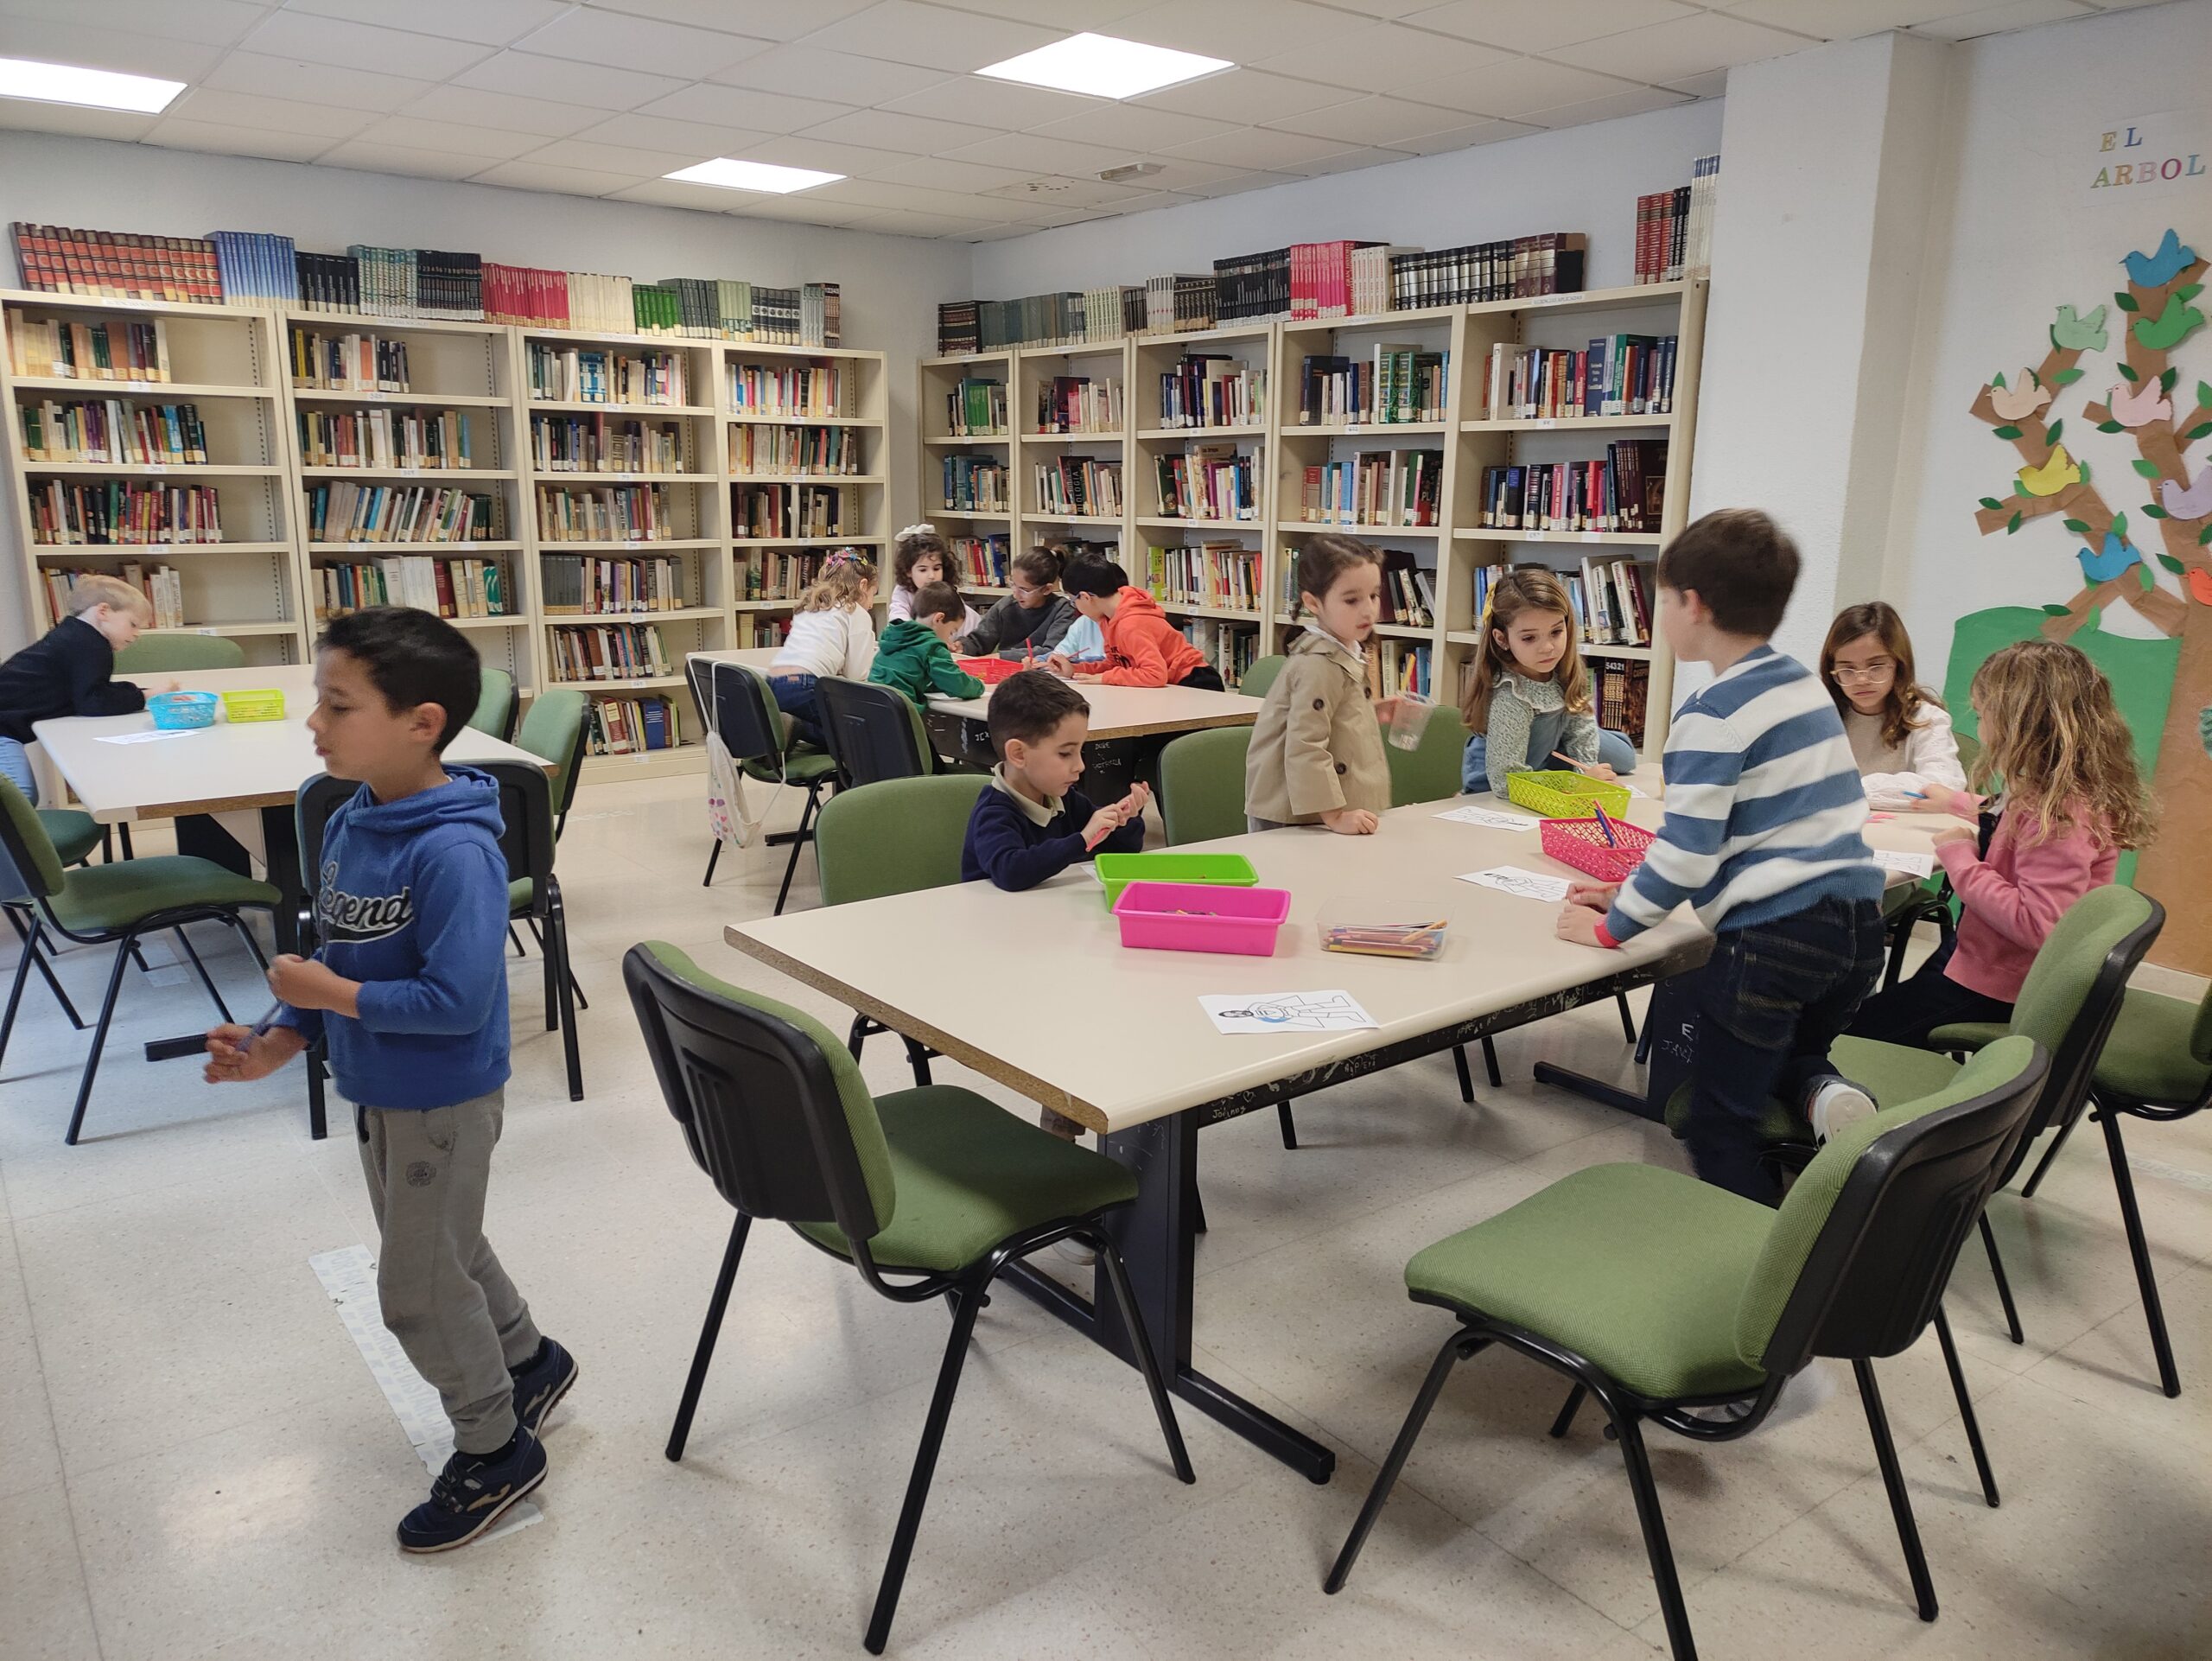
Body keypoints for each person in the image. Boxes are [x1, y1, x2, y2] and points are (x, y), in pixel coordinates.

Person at [202, 608, 574, 1553]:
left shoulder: (453, 849)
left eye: (337, 704)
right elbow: (339, 946)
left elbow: (454, 999)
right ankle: (528, 1359)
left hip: (438, 1091)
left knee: (412, 1289)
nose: (314, 724)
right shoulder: (353, 814)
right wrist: (285, 1031)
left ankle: (495, 1447)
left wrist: (332, 992)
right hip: (381, 1079)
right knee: (444, 1240)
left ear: (423, 721)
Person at [1555, 510, 1886, 1205]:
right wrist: (1628, 894)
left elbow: (1686, 855)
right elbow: (1770, 823)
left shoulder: (1712, 713)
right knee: (1788, 1058)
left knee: (1717, 1123)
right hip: (1858, 926)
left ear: (1693, 605)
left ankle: (1770, 1274)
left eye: (1664, 598)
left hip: (1776, 937)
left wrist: (1613, 929)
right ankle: (1829, 1098)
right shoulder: (1802, 686)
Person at [1848, 638, 2152, 1047]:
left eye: (1981, 712)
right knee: (1881, 1010)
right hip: (1985, 955)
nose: (1979, 725)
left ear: (2017, 721)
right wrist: (1958, 803)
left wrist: (1960, 858)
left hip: (2002, 984)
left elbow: (2037, 925)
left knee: (1853, 1034)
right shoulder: (2058, 792)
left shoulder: (2057, 814)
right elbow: (2012, 826)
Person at [1243, 534, 1395, 836]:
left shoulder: (1343, 648)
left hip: (1318, 811)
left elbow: (1331, 717)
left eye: (1374, 596)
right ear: (1313, 603)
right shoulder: (1317, 664)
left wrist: (1371, 711)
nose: (1368, 610)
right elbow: (1305, 745)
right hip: (1296, 816)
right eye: (1352, 600)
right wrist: (1335, 816)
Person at [961, 668, 1147, 891]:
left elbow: (1122, 850)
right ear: (1019, 754)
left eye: (1080, 751)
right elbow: (1010, 872)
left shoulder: (1063, 798)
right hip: (997, 919)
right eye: (1065, 754)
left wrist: (1124, 820)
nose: (1080, 766)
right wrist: (1083, 839)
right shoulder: (994, 813)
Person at [1457, 566, 1634, 794]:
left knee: (1625, 757)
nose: (1548, 648)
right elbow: (1504, 783)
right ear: (1502, 639)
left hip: (1539, 769)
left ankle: (1560, 744)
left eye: (1556, 632)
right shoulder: (1512, 695)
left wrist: (1588, 776)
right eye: (1529, 638)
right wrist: (1575, 784)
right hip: (1492, 795)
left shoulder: (1563, 672)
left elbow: (1586, 750)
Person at [0, 574, 162, 804]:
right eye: (133, 624)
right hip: (3, 730)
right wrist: (145, 695)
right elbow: (94, 701)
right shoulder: (91, 645)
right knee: (18, 801)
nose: (137, 635)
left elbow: (88, 691)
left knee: (19, 802)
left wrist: (137, 693)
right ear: (103, 611)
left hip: (7, 726)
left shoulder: (74, 634)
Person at [1819, 600, 1966, 810]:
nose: (1862, 680)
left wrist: (1848, 790)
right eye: (1848, 670)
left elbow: (1944, 785)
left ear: (1899, 665)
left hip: (1902, 834)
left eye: (1876, 666)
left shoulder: (1926, 719)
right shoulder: (1823, 718)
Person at [1046, 557, 1223, 690]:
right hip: (1173, 683)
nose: (1074, 606)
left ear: (1085, 597)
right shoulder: (1107, 618)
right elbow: (1117, 664)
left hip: (1196, 682)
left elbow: (1154, 674)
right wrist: (1074, 669)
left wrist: (1106, 678)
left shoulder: (1132, 624)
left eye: (1072, 600)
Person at [766, 549, 876, 748]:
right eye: (873, 594)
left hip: (774, 683)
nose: (871, 603)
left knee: (833, 728)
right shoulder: (856, 611)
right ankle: (798, 727)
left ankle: (790, 726)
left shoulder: (812, 606)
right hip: (805, 684)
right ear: (863, 585)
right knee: (857, 735)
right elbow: (857, 675)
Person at [868, 582, 986, 706]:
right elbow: (956, 683)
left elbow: (913, 676)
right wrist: (979, 686)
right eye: (951, 631)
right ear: (939, 619)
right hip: (901, 712)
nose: (950, 638)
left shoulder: (894, 635)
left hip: (872, 706)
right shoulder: (932, 646)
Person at [959, 545, 1078, 659]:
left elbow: (1051, 652)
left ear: (1047, 589)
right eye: (1013, 584)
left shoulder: (1063, 610)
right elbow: (980, 641)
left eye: (1025, 590)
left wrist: (1002, 657)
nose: (1016, 594)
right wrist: (963, 647)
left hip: (1042, 674)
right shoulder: (1006, 605)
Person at [887, 523, 985, 634]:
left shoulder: (947, 592)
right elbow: (898, 620)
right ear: (908, 571)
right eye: (923, 570)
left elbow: (966, 620)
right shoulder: (903, 591)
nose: (932, 576)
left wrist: (961, 643)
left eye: (937, 568)